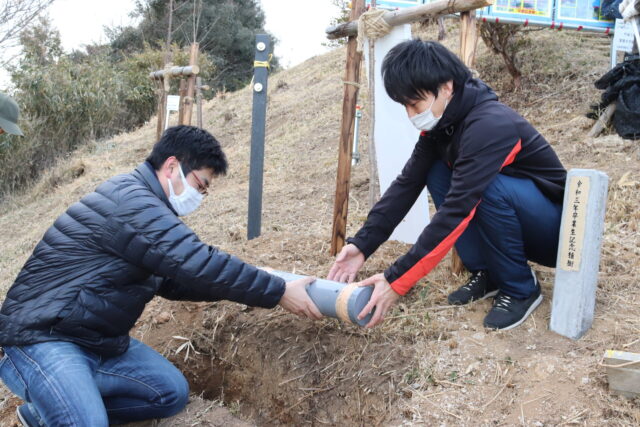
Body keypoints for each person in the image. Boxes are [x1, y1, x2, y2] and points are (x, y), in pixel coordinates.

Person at [0, 125, 322, 426]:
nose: (200, 197)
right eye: (200, 185)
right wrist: (277, 290)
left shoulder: (150, 210)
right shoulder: (132, 202)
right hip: (42, 338)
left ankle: (47, 412)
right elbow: (198, 263)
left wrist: (251, 278)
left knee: (169, 393)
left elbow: (177, 279)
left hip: (97, 343)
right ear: (171, 166)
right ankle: (67, 407)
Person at [329, 40, 566, 331]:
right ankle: (490, 272)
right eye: (405, 105)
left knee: (485, 187)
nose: (411, 115)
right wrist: (362, 244)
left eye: (415, 103)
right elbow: (406, 185)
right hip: (519, 219)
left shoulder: (490, 125)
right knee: (438, 171)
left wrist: (396, 279)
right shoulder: (442, 127)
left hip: (556, 232)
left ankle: (520, 287)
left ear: (446, 87)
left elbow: (457, 210)